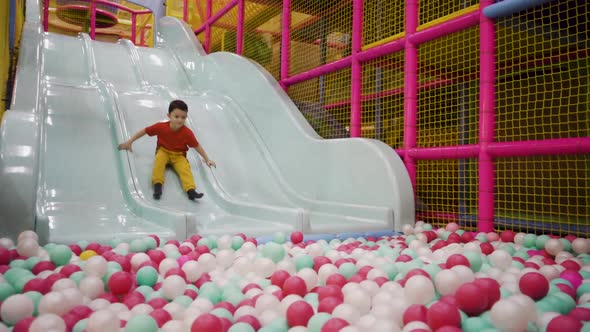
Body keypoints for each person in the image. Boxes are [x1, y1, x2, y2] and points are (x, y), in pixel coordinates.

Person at [118, 100, 216, 200]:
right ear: (169, 115)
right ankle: (157, 186)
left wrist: (207, 159)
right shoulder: (161, 127)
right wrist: (129, 142)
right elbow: (145, 131)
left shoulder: (187, 133)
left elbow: (197, 146)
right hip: (163, 151)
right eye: (176, 116)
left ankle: (191, 191)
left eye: (183, 117)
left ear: (186, 117)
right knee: (158, 163)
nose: (180, 120)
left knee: (185, 170)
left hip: (179, 156)